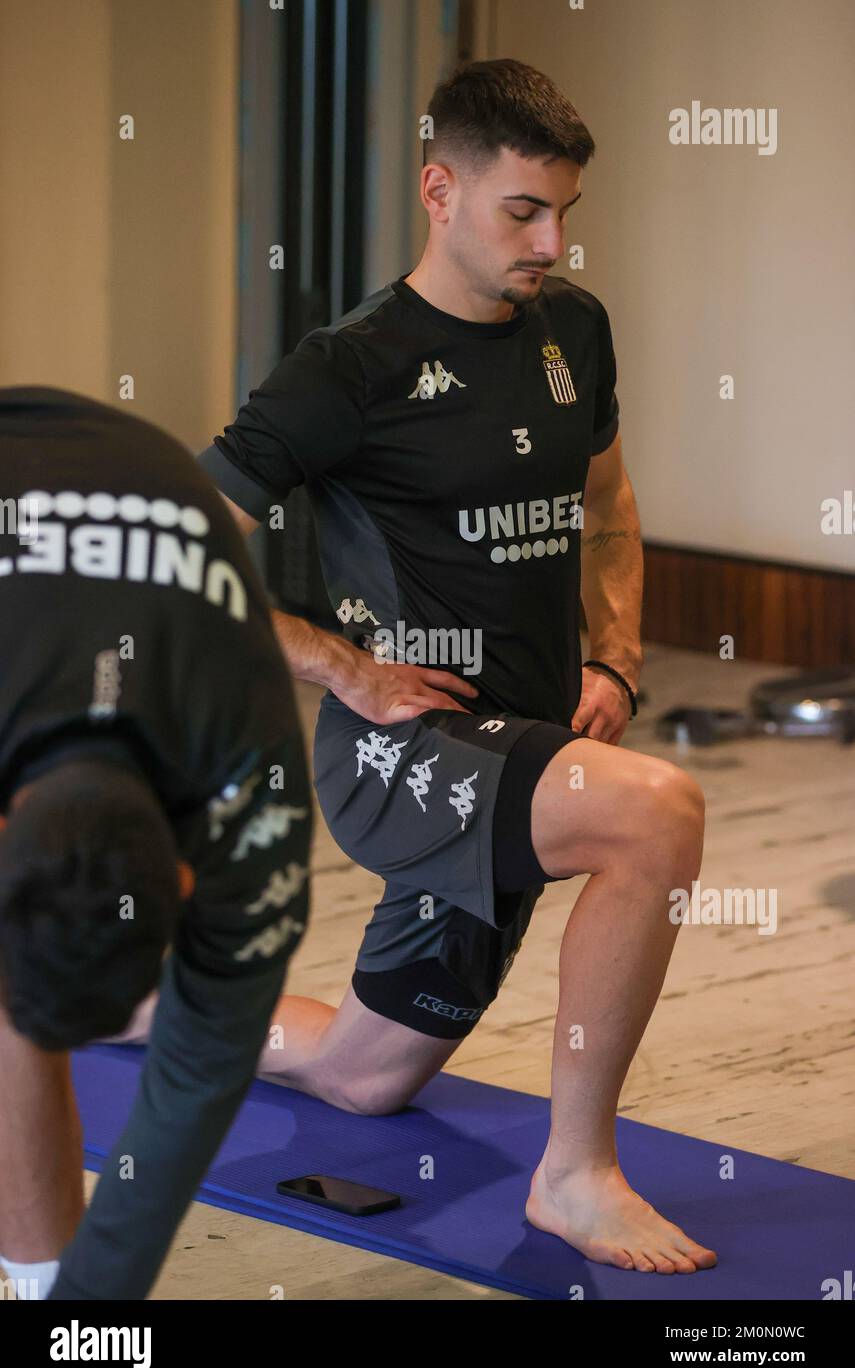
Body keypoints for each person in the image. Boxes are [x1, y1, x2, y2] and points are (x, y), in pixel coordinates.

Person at [149, 56, 712, 1276]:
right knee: (657, 816)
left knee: (362, 1079)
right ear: (439, 189)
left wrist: (614, 654)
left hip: (528, 740)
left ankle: (123, 995)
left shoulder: (574, 329)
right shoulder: (349, 366)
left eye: (565, 212)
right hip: (405, 754)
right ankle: (574, 1176)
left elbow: (607, 502)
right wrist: (339, 669)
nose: (552, 241)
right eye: (523, 211)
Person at [0, 387, 313, 1300]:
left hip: (143, 504)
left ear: (186, 880)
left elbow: (196, 1075)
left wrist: (87, 1328)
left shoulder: (254, 785)